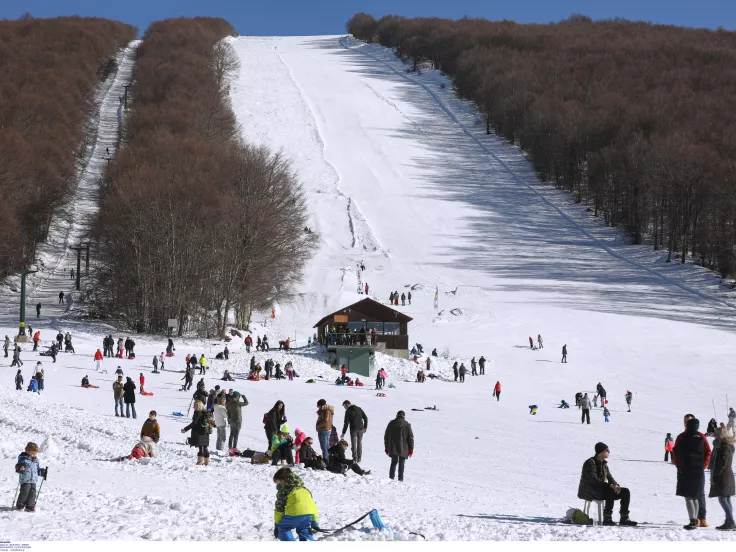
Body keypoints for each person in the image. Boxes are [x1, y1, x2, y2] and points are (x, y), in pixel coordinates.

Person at [577, 442, 637, 526]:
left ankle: (624, 517)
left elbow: (610, 477)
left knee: (625, 491)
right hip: (589, 491)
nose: (609, 452)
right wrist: (610, 486)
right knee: (610, 490)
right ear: (600, 452)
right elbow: (594, 479)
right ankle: (607, 518)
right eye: (607, 450)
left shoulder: (604, 464)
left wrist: (616, 485)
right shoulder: (590, 463)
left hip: (600, 490)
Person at [674, 413, 712, 528]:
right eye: (684, 421)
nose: (685, 423)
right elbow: (676, 455)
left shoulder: (699, 436)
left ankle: (700, 518)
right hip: (694, 470)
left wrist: (704, 465)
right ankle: (696, 519)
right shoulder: (682, 436)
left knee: (698, 495)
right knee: (694, 495)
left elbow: (708, 452)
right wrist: (679, 466)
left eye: (688, 421)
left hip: (694, 470)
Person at [273, 467, 319, 541]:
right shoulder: (305, 489)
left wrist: (277, 525)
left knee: (283, 528)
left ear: (283, 480)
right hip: (309, 515)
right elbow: (312, 506)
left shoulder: (283, 491)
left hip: (294, 514)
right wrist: (314, 521)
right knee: (304, 529)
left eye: (278, 483)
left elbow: (279, 508)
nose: (277, 486)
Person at [709, 427, 736, 530]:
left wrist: (716, 474)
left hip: (724, 476)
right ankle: (728, 521)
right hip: (726, 475)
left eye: (716, 434)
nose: (715, 435)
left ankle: (731, 521)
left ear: (721, 435)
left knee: (722, 499)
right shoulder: (723, 446)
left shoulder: (724, 447)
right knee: (726, 499)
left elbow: (723, 463)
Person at [14, 442, 46, 512]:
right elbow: (17, 466)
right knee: (24, 492)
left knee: (32, 493)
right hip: (25, 479)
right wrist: (20, 467)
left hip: (33, 480)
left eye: (36, 453)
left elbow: (37, 470)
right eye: (33, 452)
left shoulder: (36, 460)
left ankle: (30, 505)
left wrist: (42, 472)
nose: (35, 454)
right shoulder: (23, 459)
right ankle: (20, 504)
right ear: (28, 451)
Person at [181, 400, 212, 465]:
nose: (194, 406)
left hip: (199, 431)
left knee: (201, 447)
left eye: (195, 405)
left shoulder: (198, 412)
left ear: (199, 405)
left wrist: (185, 429)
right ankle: (206, 462)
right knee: (205, 447)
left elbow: (193, 423)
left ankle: (200, 461)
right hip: (205, 432)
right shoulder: (205, 412)